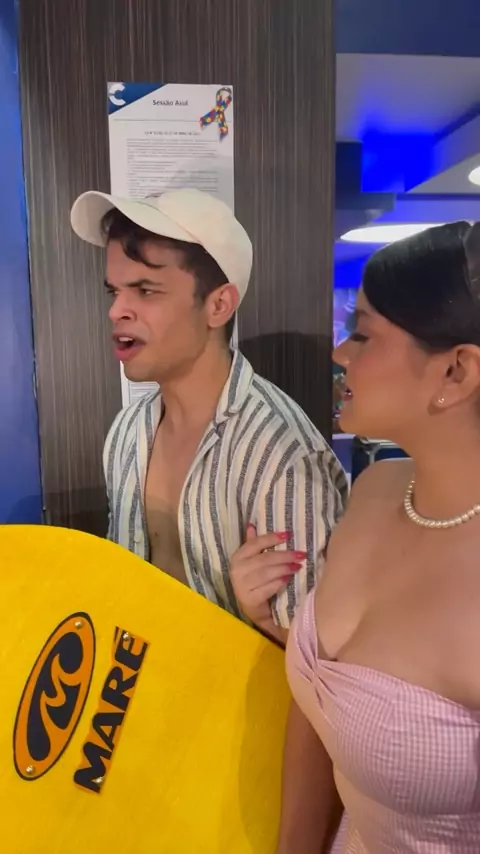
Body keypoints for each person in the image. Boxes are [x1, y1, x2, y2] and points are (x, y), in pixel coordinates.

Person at [278, 221, 480, 853]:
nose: (341, 353)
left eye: (362, 333)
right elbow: (323, 709)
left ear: (456, 372)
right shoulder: (375, 490)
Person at [70, 188, 347, 645]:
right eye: (114, 291)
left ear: (218, 305)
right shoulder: (127, 432)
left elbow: (316, 658)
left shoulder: (281, 457)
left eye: (145, 290)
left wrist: (260, 619)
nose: (116, 310)